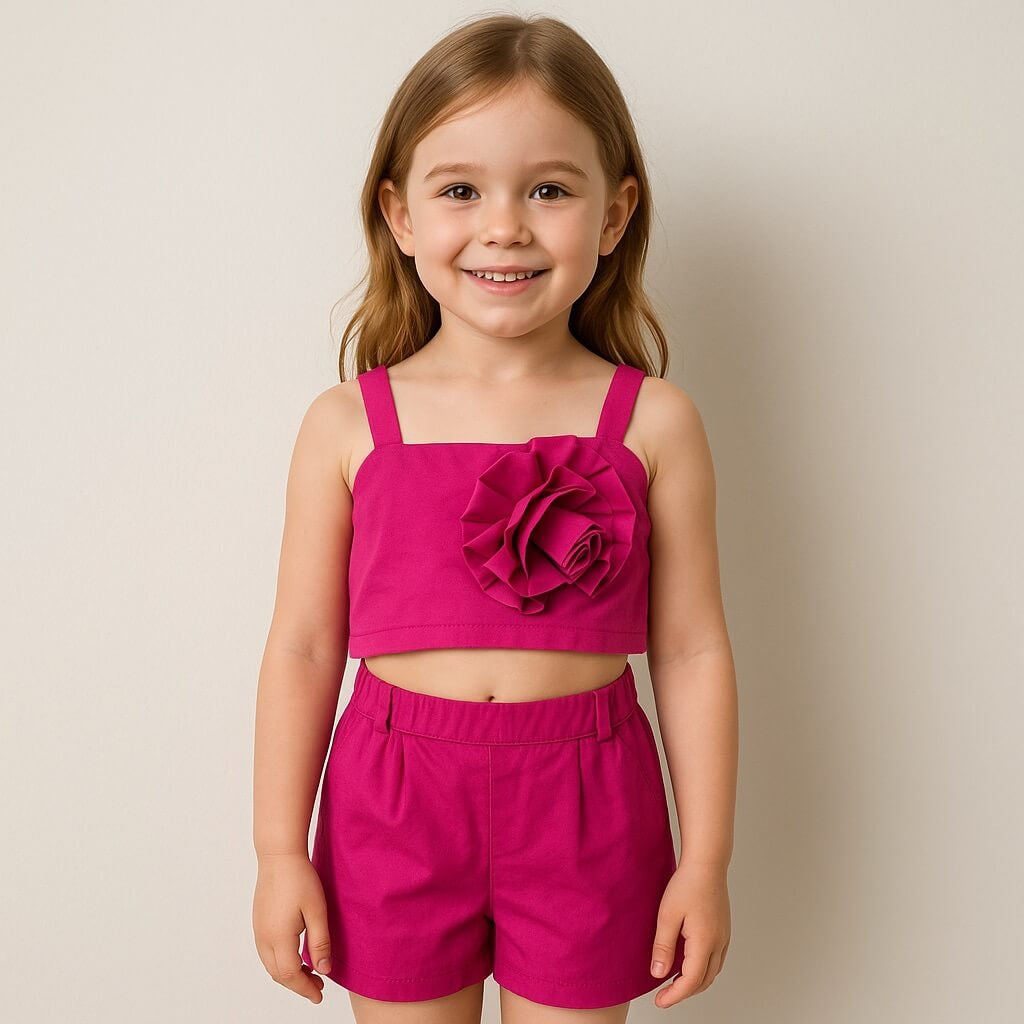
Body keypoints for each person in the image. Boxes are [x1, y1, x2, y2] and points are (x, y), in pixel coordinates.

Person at [252, 12, 737, 1023]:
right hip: (392, 802)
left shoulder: (655, 422)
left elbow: (691, 649)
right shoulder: (346, 424)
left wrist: (706, 861)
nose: (505, 226)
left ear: (614, 214)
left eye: (549, 190)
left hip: (588, 804)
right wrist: (276, 851)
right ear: (399, 214)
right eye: (461, 190)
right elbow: (302, 646)